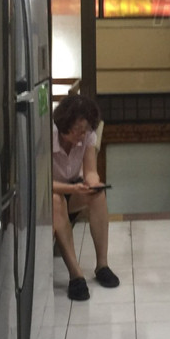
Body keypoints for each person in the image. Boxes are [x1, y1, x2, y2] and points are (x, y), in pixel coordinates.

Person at [52, 93, 119, 300]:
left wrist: (93, 183)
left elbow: (90, 170)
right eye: (77, 130)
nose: (81, 135)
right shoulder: (48, 135)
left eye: (85, 130)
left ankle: (102, 265)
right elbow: (41, 183)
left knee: (98, 196)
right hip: (50, 193)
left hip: (73, 188)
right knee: (55, 201)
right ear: (64, 124)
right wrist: (73, 189)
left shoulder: (87, 136)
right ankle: (76, 275)